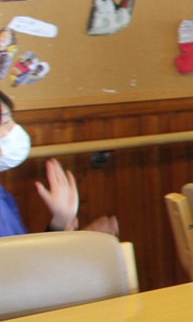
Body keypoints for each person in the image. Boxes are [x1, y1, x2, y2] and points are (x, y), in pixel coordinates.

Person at [0, 90, 118, 236]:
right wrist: (81, 241)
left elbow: (23, 253)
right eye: (4, 122)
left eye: (9, 120)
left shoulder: (3, 197)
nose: (13, 130)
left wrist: (60, 223)